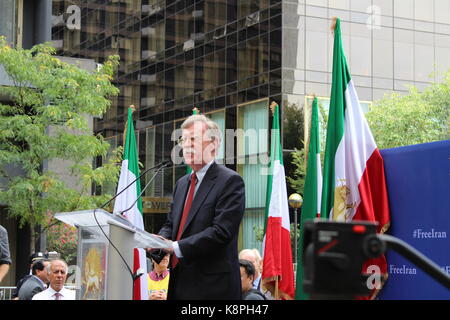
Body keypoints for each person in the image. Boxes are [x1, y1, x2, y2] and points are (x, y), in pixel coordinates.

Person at [156, 114, 245, 300]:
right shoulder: (182, 184)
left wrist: (175, 247)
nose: (186, 145)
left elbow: (221, 232)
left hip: (213, 289)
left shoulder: (230, 181)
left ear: (213, 144)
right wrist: (157, 243)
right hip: (179, 284)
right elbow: (171, 225)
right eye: (183, 139)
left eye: (193, 139)